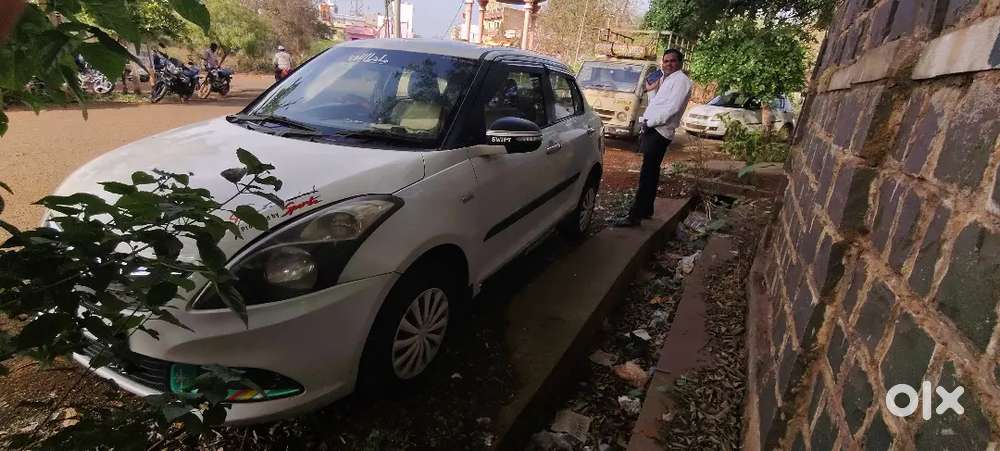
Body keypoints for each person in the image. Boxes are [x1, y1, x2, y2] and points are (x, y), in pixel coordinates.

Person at [615, 49, 693, 227]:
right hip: (653, 128)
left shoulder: (681, 81)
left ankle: (634, 216)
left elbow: (672, 108)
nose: (668, 64)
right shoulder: (667, 79)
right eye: (665, 61)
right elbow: (657, 103)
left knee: (647, 175)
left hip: (659, 131)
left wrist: (650, 123)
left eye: (672, 61)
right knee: (650, 172)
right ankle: (646, 210)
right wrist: (651, 91)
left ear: (680, 63)